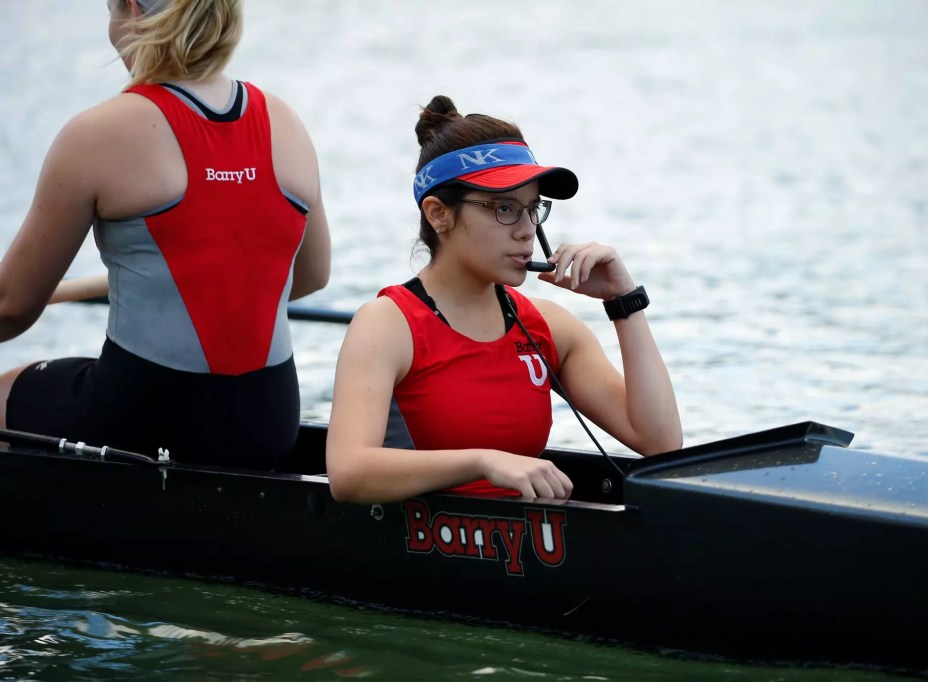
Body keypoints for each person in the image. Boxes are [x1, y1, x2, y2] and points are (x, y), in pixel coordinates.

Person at [0, 0, 330, 469]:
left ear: (133, 12)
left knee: (5, 394)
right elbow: (312, 275)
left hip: (146, 421)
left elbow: (10, 308)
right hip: (269, 422)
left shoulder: (97, 132)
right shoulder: (285, 122)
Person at [325, 95, 681, 503]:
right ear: (439, 214)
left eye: (533, 209)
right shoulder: (386, 325)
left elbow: (662, 443)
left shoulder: (550, 326)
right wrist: (483, 461)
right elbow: (348, 474)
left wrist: (623, 303)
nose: (527, 230)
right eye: (504, 209)